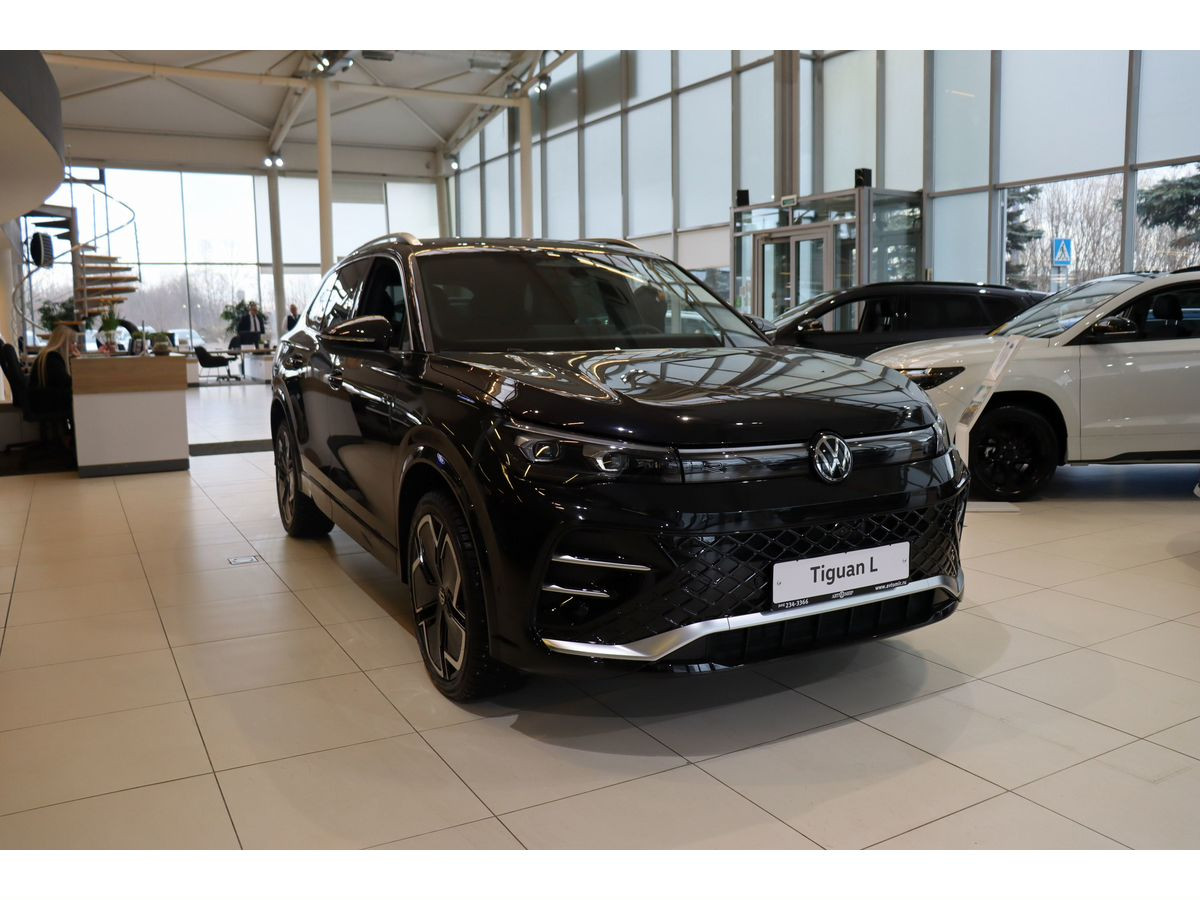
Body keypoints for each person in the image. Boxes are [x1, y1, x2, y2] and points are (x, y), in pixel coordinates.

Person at [29, 325, 79, 443]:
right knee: (78, 399)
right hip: (45, 403)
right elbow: (67, 382)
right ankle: (74, 440)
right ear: (65, 343)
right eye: (72, 343)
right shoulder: (52, 358)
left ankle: (71, 438)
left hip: (41, 400)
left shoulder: (48, 355)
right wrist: (76, 361)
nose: (74, 346)